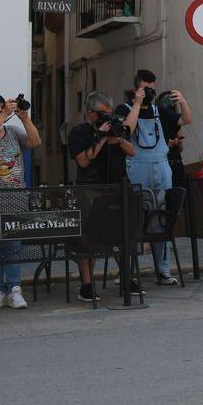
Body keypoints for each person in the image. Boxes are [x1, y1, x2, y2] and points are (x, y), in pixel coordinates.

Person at [122, 69, 193, 285]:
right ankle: (130, 272)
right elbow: (127, 129)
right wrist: (137, 104)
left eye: (153, 89)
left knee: (162, 218)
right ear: (136, 89)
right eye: (146, 89)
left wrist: (182, 101)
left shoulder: (160, 110)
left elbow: (186, 121)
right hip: (138, 168)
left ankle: (163, 270)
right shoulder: (125, 108)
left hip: (162, 168)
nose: (150, 93)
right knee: (134, 219)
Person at [0, 94, 42, 309]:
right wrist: (3, 115)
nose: (0, 110)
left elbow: (35, 141)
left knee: (13, 247)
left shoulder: (12, 132)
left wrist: (25, 118)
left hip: (14, 199)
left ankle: (14, 289)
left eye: (2, 107)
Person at [67, 90, 137, 302]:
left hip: (117, 189)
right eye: (102, 114)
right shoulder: (79, 132)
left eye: (109, 113)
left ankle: (126, 278)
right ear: (91, 114)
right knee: (88, 238)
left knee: (121, 235)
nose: (107, 117)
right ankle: (87, 285)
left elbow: (132, 151)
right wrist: (101, 138)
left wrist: (118, 139)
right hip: (90, 191)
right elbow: (83, 162)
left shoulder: (116, 128)